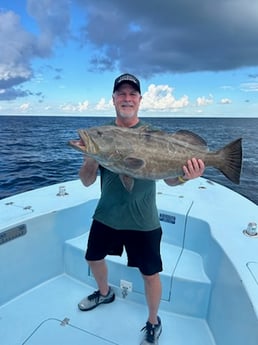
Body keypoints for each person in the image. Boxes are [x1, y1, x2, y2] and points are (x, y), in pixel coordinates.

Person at [78, 73, 205, 345]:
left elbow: (171, 179)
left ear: (139, 100)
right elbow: (87, 181)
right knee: (93, 257)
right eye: (121, 94)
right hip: (106, 215)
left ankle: (152, 321)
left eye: (132, 94)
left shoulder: (154, 134)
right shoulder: (102, 136)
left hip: (143, 220)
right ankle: (104, 292)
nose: (126, 98)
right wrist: (91, 155)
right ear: (113, 99)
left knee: (150, 274)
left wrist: (185, 175)